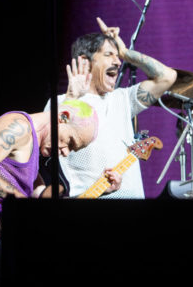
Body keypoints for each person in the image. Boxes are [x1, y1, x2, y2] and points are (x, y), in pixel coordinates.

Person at [0, 99, 116, 287]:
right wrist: (17, 202)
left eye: (73, 149)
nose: (65, 152)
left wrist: (99, 190)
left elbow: (41, 203)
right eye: (70, 142)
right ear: (63, 117)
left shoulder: (34, 153)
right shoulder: (19, 126)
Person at [47, 17, 177, 199]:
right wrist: (71, 99)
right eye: (109, 55)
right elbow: (47, 147)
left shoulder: (123, 99)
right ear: (85, 61)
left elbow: (167, 77)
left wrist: (125, 52)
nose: (118, 62)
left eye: (118, 57)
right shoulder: (63, 102)